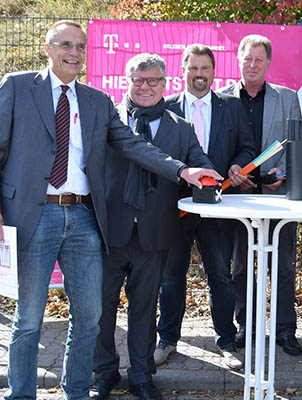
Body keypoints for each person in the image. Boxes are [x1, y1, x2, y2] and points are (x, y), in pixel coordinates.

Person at [0, 20, 212, 400]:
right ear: (48, 49)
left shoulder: (96, 102)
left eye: (81, 46)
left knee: (89, 320)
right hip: (37, 216)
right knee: (29, 321)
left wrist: (183, 169)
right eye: (65, 45)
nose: (74, 52)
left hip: (83, 219)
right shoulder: (16, 86)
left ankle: (78, 391)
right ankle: (21, 395)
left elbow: (134, 145)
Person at [92, 53, 220, 400]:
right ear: (127, 81)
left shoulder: (181, 127)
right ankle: (103, 372)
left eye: (153, 81)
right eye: (138, 80)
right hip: (107, 233)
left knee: (145, 309)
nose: (145, 87)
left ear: (166, 85)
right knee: (101, 309)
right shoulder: (105, 120)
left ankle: (141, 375)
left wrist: (214, 178)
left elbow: (201, 163)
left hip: (155, 233)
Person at [154, 44, 255, 370]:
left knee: (221, 277)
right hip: (174, 206)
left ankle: (226, 342)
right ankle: (167, 340)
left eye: (205, 69)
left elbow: (247, 146)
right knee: (171, 278)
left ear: (214, 72)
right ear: (183, 71)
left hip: (219, 207)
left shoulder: (233, 106)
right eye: (193, 68)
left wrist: (238, 166)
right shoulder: (165, 107)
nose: (199, 75)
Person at [221, 34, 302, 356]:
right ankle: (247, 327)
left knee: (282, 265)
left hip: (277, 193)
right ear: (238, 60)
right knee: (241, 265)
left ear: (268, 63)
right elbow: (218, 143)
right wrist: (231, 170)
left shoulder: (288, 97)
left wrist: (278, 173)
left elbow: (294, 143)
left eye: (259, 59)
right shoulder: (223, 97)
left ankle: (284, 329)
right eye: (247, 58)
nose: (252, 65)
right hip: (237, 196)